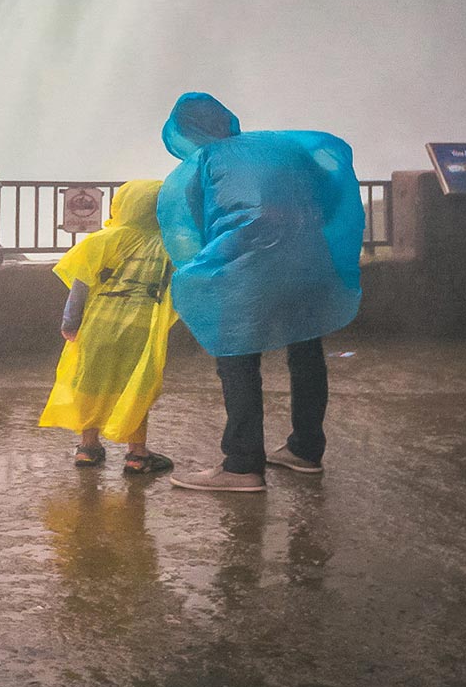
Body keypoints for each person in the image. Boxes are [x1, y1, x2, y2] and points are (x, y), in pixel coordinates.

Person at [156, 92, 365, 493]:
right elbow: (331, 190)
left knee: (236, 355)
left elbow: (196, 225)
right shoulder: (281, 147)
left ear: (186, 131)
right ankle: (305, 450)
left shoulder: (205, 162)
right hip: (307, 264)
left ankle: (242, 465)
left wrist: (210, 268)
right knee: (305, 350)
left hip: (246, 272)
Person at [39, 178, 177, 475]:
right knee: (136, 388)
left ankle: (88, 448)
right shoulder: (168, 246)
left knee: (90, 384)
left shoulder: (103, 240)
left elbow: (80, 285)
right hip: (141, 332)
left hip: (97, 328)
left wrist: (70, 323)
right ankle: (137, 455)